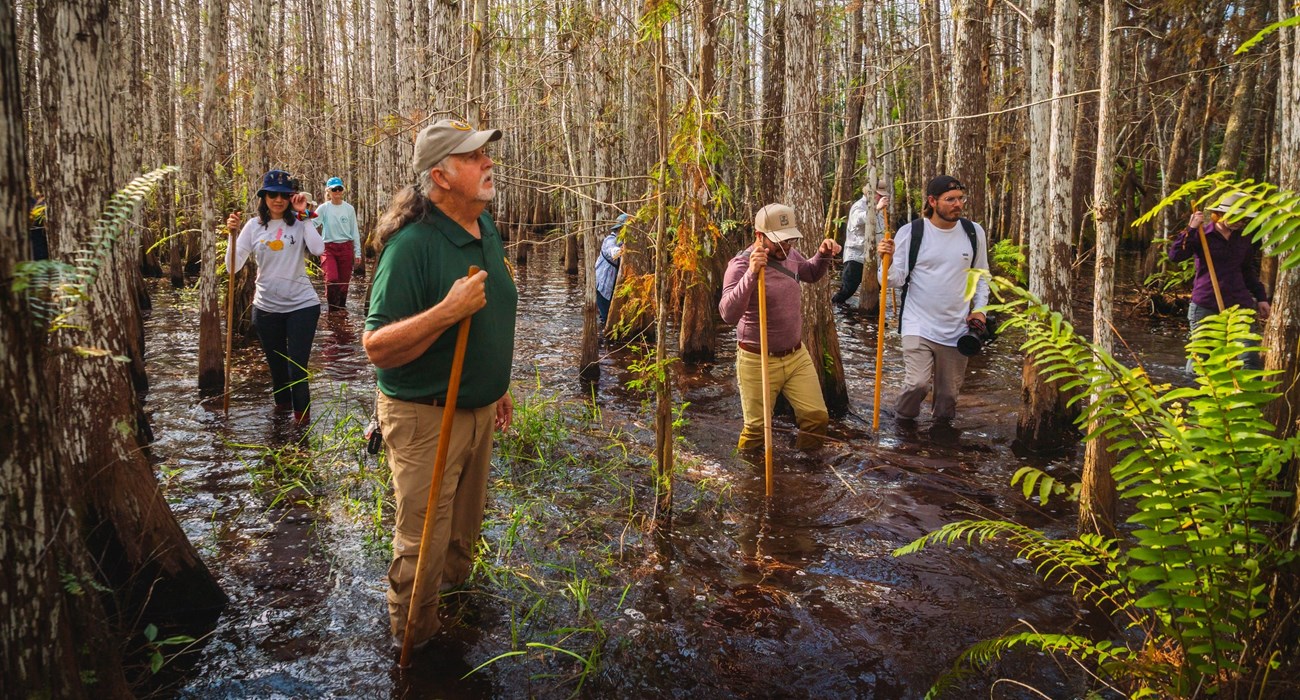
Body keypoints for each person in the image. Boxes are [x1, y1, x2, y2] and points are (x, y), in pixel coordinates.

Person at [362, 118, 517, 651]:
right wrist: (446, 312)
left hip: (477, 409)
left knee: (461, 535)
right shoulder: (412, 247)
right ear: (441, 176)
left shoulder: (485, 225)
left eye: (484, 154)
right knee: (422, 544)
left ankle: (454, 616)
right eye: (473, 157)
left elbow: (492, 313)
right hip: (425, 415)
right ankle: (415, 648)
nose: (488, 162)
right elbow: (377, 346)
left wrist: (496, 381)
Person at [719, 203, 841, 451]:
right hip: (757, 358)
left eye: (789, 240)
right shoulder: (740, 265)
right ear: (759, 236)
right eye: (779, 242)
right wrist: (752, 273)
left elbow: (810, 273)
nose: (785, 247)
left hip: (796, 356)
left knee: (816, 417)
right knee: (756, 431)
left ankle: (804, 472)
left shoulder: (789, 255)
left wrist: (823, 254)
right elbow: (727, 314)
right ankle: (749, 482)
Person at [877, 175, 990, 423]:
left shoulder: (974, 232)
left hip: (957, 327)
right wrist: (885, 260)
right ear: (932, 201)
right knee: (917, 384)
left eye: (961, 198)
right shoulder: (912, 232)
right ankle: (902, 428)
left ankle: (941, 447)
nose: (958, 204)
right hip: (918, 323)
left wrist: (980, 310)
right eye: (950, 199)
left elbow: (982, 276)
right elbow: (892, 281)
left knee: (948, 398)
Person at [224, 170, 325, 424]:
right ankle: (281, 426)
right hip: (267, 308)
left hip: (302, 305)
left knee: (297, 370)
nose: (278, 200)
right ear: (264, 197)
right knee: (278, 372)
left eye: (284, 195)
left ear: (291, 197)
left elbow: (318, 248)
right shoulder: (253, 226)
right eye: (272, 194)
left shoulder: (300, 221)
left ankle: (302, 430)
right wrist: (231, 236)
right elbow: (232, 267)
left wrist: (304, 215)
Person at [1167, 191, 1270, 370]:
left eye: (1244, 218)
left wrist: (1261, 297)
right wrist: (1191, 228)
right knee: (1202, 360)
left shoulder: (1244, 238)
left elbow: (1247, 270)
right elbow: (1175, 256)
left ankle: (1245, 396)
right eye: (1237, 217)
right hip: (1206, 303)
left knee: (1250, 358)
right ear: (1220, 215)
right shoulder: (1201, 234)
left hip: (1239, 304)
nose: (1242, 222)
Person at [832, 179, 890, 305]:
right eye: (879, 195)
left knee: (875, 290)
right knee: (847, 290)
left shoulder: (880, 210)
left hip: (874, 259)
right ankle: (833, 308)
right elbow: (860, 218)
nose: (881, 198)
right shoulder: (858, 206)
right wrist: (877, 208)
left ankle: (866, 316)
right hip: (856, 257)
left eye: (882, 196)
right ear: (871, 193)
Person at [316, 176, 363, 311]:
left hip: (346, 247)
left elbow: (354, 231)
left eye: (339, 189)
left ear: (343, 190)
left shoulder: (349, 209)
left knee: (343, 284)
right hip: (328, 248)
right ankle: (332, 308)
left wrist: (357, 252)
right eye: (334, 189)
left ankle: (341, 310)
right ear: (328, 192)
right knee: (332, 279)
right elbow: (312, 224)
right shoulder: (323, 208)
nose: (337, 192)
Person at [595, 213, 629, 330]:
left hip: (612, 286)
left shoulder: (624, 242)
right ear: (620, 229)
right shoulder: (610, 239)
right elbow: (613, 252)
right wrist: (622, 250)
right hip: (603, 285)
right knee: (606, 318)